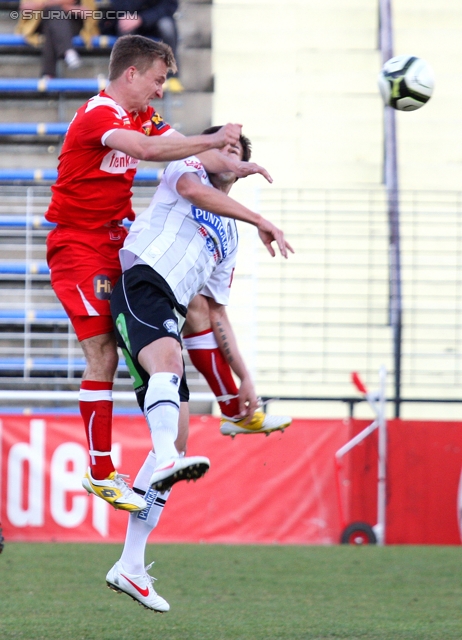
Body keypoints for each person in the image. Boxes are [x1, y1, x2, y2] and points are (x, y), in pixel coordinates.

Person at [44, 34, 275, 515]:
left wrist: (234, 163)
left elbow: (187, 154)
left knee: (195, 309)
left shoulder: (141, 116)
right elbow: (148, 152)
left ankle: (223, 410)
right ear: (131, 73)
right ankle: (101, 472)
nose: (160, 90)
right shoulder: (100, 115)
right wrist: (214, 138)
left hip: (116, 240)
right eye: (156, 79)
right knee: (102, 353)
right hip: (79, 246)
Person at [105, 128, 293, 610]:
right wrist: (259, 218)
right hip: (142, 280)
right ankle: (165, 457)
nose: (224, 154)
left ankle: (129, 565)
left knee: (179, 438)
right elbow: (192, 191)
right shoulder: (184, 168)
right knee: (169, 372)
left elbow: (212, 314)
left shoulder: (227, 234)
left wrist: (243, 379)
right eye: (220, 147)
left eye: (234, 150)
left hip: (171, 306)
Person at [99, 0, 184, 92]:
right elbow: (119, 6)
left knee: (167, 26)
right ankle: (127, 77)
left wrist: (142, 19)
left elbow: (169, 6)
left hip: (156, 19)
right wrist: (133, 17)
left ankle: (171, 75)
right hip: (130, 17)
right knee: (125, 27)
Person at [17, 1, 98, 78]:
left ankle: (48, 74)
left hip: (72, 21)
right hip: (42, 19)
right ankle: (68, 51)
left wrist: (41, 5)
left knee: (52, 19)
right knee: (54, 13)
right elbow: (25, 8)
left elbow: (82, 9)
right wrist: (66, 7)